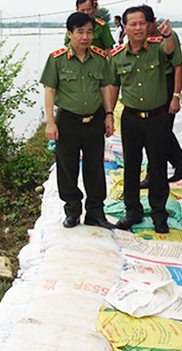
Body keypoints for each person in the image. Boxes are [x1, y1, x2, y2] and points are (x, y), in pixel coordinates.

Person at [41, 12, 116, 229]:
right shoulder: (57, 59)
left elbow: (105, 87)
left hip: (94, 120)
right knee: (67, 168)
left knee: (95, 169)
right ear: (70, 33)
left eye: (89, 32)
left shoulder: (100, 59)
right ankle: (72, 211)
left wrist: (109, 115)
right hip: (68, 121)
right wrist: (50, 122)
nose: (85, 37)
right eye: (80, 32)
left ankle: (95, 213)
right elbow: (50, 90)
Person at [108, 6, 176, 233]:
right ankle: (133, 211)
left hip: (157, 117)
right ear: (124, 28)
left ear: (148, 25)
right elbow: (113, 86)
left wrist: (168, 34)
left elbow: (170, 51)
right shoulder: (117, 57)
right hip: (131, 119)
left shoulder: (158, 47)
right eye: (132, 24)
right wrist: (108, 114)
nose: (138, 28)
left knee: (157, 166)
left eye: (141, 23)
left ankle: (159, 214)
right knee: (131, 166)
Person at [139, 5, 182, 188]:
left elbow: (178, 66)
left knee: (159, 133)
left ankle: (154, 176)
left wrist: (176, 96)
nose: (140, 28)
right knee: (159, 132)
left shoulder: (167, 36)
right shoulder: (140, 39)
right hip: (150, 87)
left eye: (143, 23)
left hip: (166, 85)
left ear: (152, 22)